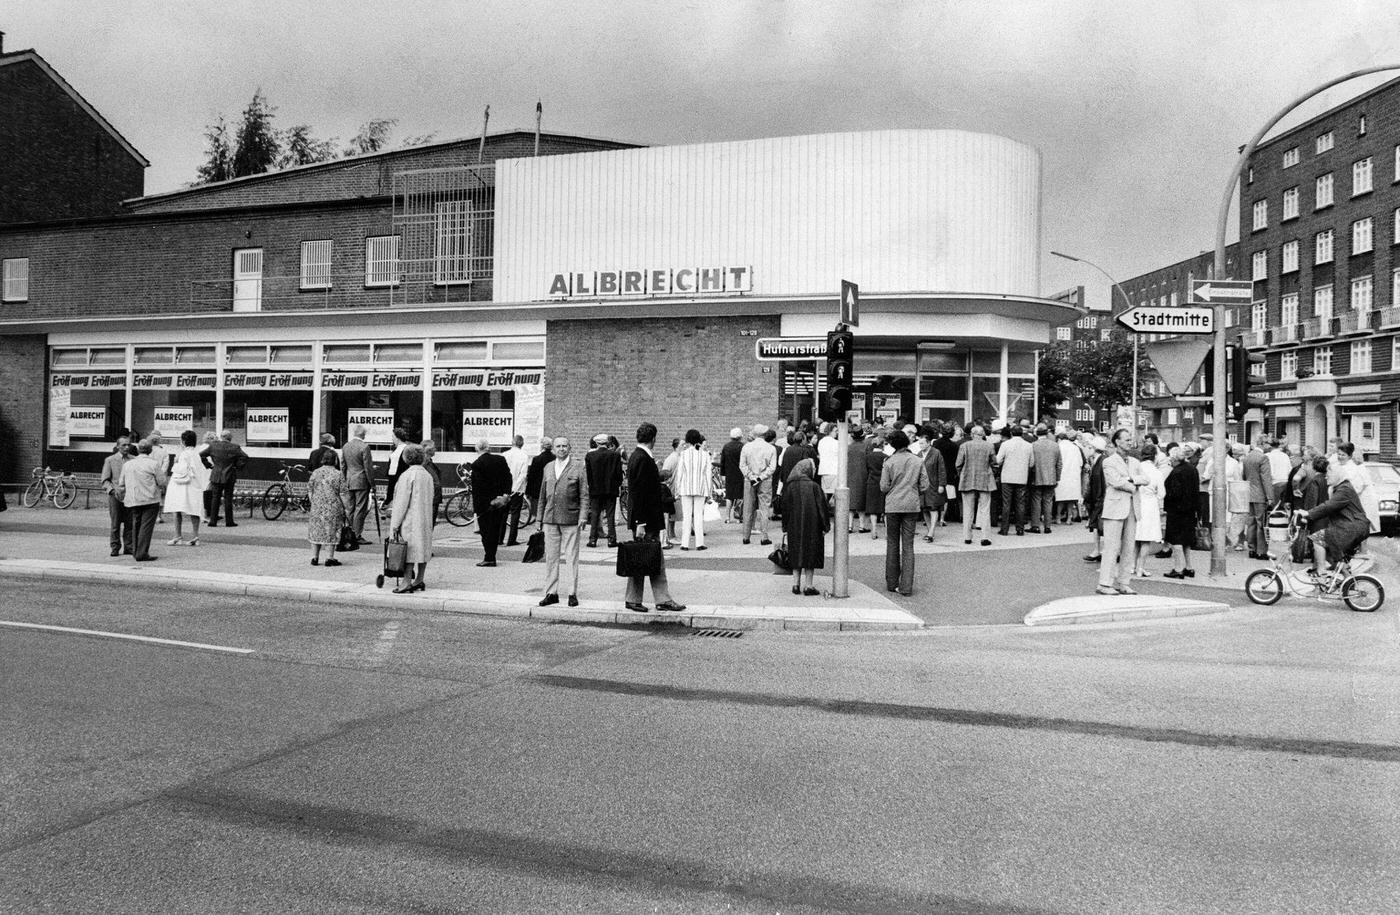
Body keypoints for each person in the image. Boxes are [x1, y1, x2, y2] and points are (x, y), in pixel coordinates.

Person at [624, 422, 686, 613]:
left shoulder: (637, 456)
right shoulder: (643, 458)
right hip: (646, 519)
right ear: (654, 439)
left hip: (644, 518)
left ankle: (640, 598)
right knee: (648, 558)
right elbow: (640, 492)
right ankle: (660, 599)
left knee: (645, 557)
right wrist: (641, 523)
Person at [536, 436, 589, 607]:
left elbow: (584, 494)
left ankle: (572, 593)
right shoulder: (548, 467)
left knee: (571, 557)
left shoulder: (578, 467)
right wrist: (539, 518)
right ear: (553, 449)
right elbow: (542, 495)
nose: (561, 449)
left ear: (570, 448)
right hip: (550, 518)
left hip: (571, 518)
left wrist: (583, 516)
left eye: (564, 446)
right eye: (558, 446)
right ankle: (551, 593)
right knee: (551, 557)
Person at [1096, 429, 1147, 596]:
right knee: (1111, 547)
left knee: (1129, 547)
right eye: (1126, 439)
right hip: (1115, 508)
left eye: (1130, 439)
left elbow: (1146, 479)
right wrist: (1133, 485)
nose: (1129, 442)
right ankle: (1105, 583)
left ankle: (1124, 582)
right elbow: (1114, 481)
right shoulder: (1109, 461)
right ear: (1117, 442)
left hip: (1132, 508)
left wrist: (1130, 479)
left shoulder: (1135, 461)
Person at [880, 429, 929, 596]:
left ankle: (891, 582)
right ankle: (906, 586)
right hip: (911, 504)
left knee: (892, 542)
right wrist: (914, 491)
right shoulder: (917, 460)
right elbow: (924, 485)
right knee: (908, 545)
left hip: (893, 505)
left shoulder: (889, 462)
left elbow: (883, 487)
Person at [1301, 458, 1370, 574]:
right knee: (1332, 549)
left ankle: (1321, 572)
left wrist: (1308, 513)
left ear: (1337, 475)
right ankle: (1348, 581)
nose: (1326, 476)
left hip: (1352, 527)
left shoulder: (1344, 489)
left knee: (1317, 539)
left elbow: (1329, 506)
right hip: (1354, 526)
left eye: (1328, 474)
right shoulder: (1341, 487)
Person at [780, 458, 830, 596]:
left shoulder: (790, 486)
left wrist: (785, 527)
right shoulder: (815, 487)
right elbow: (822, 508)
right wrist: (826, 526)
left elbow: (785, 508)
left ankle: (795, 584)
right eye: (813, 469)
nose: (814, 471)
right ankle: (809, 586)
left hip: (793, 525)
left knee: (795, 553)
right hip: (812, 525)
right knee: (810, 554)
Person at [389, 444, 435, 592]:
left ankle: (406, 581)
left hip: (410, 518)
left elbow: (401, 502)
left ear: (406, 458)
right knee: (423, 548)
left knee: (408, 550)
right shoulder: (427, 475)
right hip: (425, 516)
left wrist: (395, 524)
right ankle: (419, 579)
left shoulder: (406, 475)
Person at [116, 439, 166, 562]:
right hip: (150, 499)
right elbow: (162, 482)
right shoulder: (153, 464)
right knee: (146, 527)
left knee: (136, 524)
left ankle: (136, 550)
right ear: (150, 450)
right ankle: (142, 553)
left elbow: (121, 483)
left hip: (133, 499)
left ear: (138, 450)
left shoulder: (128, 464)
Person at [470, 439, 512, 567]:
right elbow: (508, 477)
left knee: (486, 531)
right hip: (500, 501)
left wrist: (477, 508)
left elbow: (478, 488)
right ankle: (491, 556)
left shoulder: (477, 464)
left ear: (477, 450)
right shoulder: (500, 459)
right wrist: (505, 495)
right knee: (495, 529)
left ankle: (489, 557)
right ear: (489, 448)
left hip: (485, 504)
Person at [162, 429, 208, 547]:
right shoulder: (197, 454)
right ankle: (195, 536)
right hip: (194, 484)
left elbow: (180, 470)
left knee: (177, 509)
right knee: (194, 509)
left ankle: (177, 535)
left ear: (183, 441)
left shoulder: (183, 454)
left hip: (181, 485)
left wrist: (175, 463)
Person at [1162, 442, 1199, 579]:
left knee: (1176, 539)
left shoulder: (1176, 472)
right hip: (1190, 510)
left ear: (1175, 459)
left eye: (1171, 458)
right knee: (1187, 540)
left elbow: (1175, 494)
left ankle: (1178, 568)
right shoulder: (1192, 469)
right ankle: (1189, 567)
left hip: (1177, 510)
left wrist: (1167, 501)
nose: (1169, 460)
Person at [672, 429, 713, 550]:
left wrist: (677, 490)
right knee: (699, 515)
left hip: (686, 488)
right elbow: (708, 475)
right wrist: (709, 492)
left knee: (687, 516)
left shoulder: (683, 454)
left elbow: (680, 473)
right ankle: (700, 543)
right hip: (700, 488)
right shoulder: (705, 454)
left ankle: (685, 543)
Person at [956, 425, 996, 547]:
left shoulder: (964, 446)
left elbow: (958, 464)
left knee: (968, 509)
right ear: (983, 434)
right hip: (985, 479)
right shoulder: (989, 446)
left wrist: (962, 474)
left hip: (967, 479)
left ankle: (967, 537)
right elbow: (994, 462)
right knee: (984, 509)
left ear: (972, 434)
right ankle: (985, 537)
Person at [307, 449, 349, 567]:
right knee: (331, 530)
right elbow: (343, 493)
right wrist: (347, 508)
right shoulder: (338, 474)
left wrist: (314, 501)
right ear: (335, 460)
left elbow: (310, 489)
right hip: (333, 507)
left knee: (316, 530)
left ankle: (315, 557)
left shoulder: (315, 472)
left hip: (317, 507)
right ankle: (329, 558)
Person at [202, 429, 248, 528]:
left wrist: (209, 465)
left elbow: (201, 454)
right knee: (228, 498)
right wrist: (237, 466)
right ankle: (229, 521)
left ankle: (213, 521)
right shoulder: (235, 447)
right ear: (230, 438)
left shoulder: (213, 446)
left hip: (216, 474)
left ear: (221, 437)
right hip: (229, 475)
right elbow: (245, 457)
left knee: (215, 498)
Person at [1131, 442, 1165, 577]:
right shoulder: (1157, 473)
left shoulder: (1136, 468)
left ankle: (1132, 566)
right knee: (1146, 538)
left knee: (1135, 536)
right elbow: (1162, 494)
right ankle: (1141, 567)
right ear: (1155, 456)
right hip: (1150, 505)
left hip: (1136, 502)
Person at [739, 424, 777, 546]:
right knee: (764, 508)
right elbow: (772, 467)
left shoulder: (746, 447)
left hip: (749, 480)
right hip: (765, 480)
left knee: (748, 508)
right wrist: (761, 477)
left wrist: (751, 476)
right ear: (765, 434)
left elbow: (742, 465)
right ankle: (764, 536)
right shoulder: (771, 448)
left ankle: (746, 536)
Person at [583, 433, 622, 548]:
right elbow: (618, 475)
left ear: (596, 443)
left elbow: (588, 475)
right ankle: (612, 539)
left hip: (595, 490)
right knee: (610, 515)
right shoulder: (615, 455)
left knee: (595, 514)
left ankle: (592, 540)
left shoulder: (590, 456)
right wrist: (616, 485)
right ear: (607, 443)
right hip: (610, 489)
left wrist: (591, 486)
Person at [341, 425, 376, 544]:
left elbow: (343, 465)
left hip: (349, 479)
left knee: (350, 508)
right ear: (363, 435)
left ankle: (349, 532)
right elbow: (368, 468)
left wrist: (344, 480)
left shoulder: (346, 446)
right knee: (360, 508)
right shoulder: (364, 447)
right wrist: (372, 483)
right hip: (361, 480)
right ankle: (356, 534)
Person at [995, 423, 1033, 535]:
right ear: (1022, 433)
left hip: (1007, 477)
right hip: (1021, 477)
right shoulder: (1028, 445)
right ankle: (1020, 529)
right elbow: (1031, 463)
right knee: (1020, 504)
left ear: (1011, 433)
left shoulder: (1005, 444)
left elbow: (998, 460)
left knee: (1006, 503)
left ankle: (1004, 529)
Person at [101, 435, 133, 556]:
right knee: (115, 523)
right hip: (115, 495)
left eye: (128, 444)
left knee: (130, 523)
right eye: (124, 445)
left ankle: (129, 546)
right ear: (118, 446)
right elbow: (105, 479)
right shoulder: (110, 460)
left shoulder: (133, 460)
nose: (126, 447)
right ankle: (115, 547)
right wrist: (112, 490)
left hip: (129, 496)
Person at [1241, 436, 1273, 559]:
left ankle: (1251, 549)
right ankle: (1261, 551)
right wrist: (1270, 496)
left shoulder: (1247, 457)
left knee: (1251, 522)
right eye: (1268, 444)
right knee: (1261, 523)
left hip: (1249, 493)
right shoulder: (1263, 458)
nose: (1269, 446)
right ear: (1262, 444)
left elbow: (1244, 476)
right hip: (1260, 494)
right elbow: (1266, 478)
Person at [1028, 424, 1061, 533]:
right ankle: (1048, 526)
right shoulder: (1055, 445)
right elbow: (1059, 463)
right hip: (1051, 477)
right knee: (1048, 501)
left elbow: (1030, 463)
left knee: (1036, 501)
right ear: (1047, 433)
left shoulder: (1033, 445)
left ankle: (1035, 526)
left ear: (1037, 434)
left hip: (1036, 477)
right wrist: (1057, 478)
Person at [919, 426, 947, 543]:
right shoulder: (918, 454)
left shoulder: (936, 453)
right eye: (919, 443)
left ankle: (931, 531)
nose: (920, 446)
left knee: (933, 508)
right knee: (925, 508)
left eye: (922, 443)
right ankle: (929, 530)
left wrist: (942, 484)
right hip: (922, 486)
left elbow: (941, 469)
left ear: (929, 443)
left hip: (934, 484)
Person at [1083, 435, 1108, 562]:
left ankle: (1098, 550)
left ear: (1093, 448)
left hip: (1099, 500)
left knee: (1098, 525)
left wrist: (1096, 501)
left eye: (1089, 447)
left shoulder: (1100, 463)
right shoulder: (1100, 461)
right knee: (1097, 526)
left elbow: (1099, 485)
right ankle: (1098, 550)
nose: (1087, 450)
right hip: (1098, 500)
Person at [503, 434, 530, 547]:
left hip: (504, 489)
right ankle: (511, 539)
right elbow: (523, 475)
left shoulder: (504, 454)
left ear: (512, 442)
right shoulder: (524, 456)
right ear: (522, 444)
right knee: (515, 514)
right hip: (517, 490)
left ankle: (499, 538)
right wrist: (515, 488)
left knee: (503, 514)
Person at [862, 432, 888, 538]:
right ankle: (887, 532)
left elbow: (866, 470)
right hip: (883, 482)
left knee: (873, 508)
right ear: (882, 445)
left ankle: (874, 530)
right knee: (885, 508)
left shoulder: (868, 457)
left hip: (872, 482)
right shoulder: (886, 457)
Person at [1055, 430, 1084, 523]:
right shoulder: (1075, 448)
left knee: (1060, 498)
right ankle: (1069, 518)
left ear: (1059, 439)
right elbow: (1081, 462)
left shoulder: (1059, 447)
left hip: (1062, 475)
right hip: (1073, 476)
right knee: (1071, 498)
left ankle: (1058, 517)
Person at [526, 437, 555, 528]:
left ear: (542, 445)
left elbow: (531, 477)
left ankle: (540, 529)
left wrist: (528, 491)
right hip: (552, 488)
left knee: (539, 511)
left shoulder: (537, 459)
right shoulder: (555, 458)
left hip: (538, 490)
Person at [719, 427, 745, 523]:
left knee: (729, 496)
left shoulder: (726, 446)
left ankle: (727, 518)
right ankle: (738, 517)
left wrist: (723, 474)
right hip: (740, 474)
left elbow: (723, 462)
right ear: (740, 436)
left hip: (729, 474)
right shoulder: (742, 446)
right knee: (739, 496)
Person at [384, 427, 411, 508]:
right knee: (391, 496)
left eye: (393, 436)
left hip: (400, 477)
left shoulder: (406, 448)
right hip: (392, 477)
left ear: (398, 437)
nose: (392, 438)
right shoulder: (395, 448)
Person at [846, 426, 867, 533]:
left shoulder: (848, 448)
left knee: (851, 502)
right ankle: (861, 526)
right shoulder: (866, 447)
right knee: (861, 501)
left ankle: (849, 526)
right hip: (863, 476)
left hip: (850, 476)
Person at [421, 440, 443, 524]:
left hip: (433, 497)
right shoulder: (424, 464)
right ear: (428, 450)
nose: (435, 449)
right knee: (428, 524)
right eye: (434, 448)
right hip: (430, 498)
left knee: (430, 523)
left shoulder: (429, 462)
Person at [816, 423, 839, 497]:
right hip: (834, 471)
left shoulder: (821, 442)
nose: (837, 433)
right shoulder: (836, 443)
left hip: (824, 471)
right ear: (830, 431)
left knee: (825, 493)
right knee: (835, 495)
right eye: (835, 431)